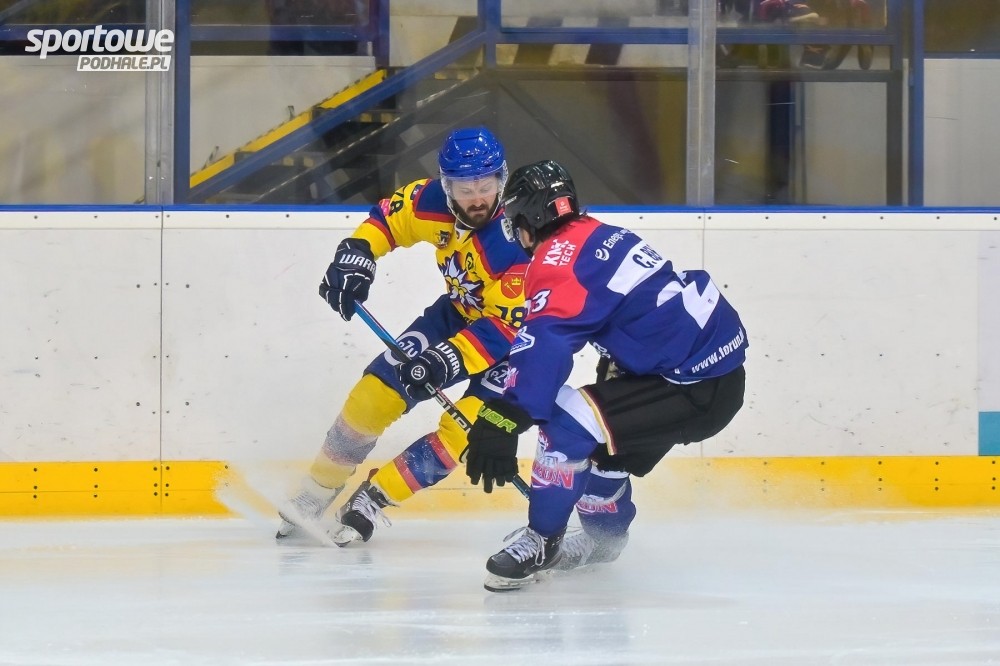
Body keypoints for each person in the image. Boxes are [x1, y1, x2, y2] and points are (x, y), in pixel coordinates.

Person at [463, 160, 749, 592]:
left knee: (566, 426)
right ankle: (604, 540)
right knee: (602, 447)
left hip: (691, 386)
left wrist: (503, 417)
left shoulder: (554, 262)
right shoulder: (598, 232)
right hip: (704, 373)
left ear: (527, 218)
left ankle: (542, 541)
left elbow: (546, 344)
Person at [277, 127, 529, 545]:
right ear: (446, 186)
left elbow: (505, 326)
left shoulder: (518, 237)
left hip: (519, 344)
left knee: (465, 431)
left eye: (486, 187)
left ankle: (374, 499)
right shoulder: (432, 202)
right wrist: (357, 253)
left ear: (501, 179)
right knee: (373, 396)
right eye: (465, 189)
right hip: (458, 314)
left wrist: (444, 360)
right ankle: (316, 490)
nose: (477, 199)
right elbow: (387, 220)